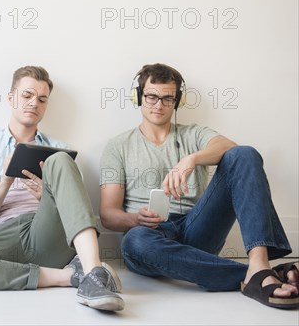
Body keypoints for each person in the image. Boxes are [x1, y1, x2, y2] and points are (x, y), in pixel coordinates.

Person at [99, 63, 298, 309]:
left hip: (198, 228)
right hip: (150, 237)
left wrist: (191, 159)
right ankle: (259, 275)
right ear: (138, 97)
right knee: (134, 241)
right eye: (151, 97)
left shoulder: (193, 134)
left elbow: (232, 149)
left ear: (177, 102)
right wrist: (135, 220)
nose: (159, 105)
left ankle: (259, 264)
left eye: (167, 98)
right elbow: (108, 215)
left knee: (244, 154)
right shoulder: (118, 146)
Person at [0, 66, 125, 312]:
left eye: (42, 99)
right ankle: (72, 276)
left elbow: (76, 212)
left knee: (61, 159)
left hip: (45, 231)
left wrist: (48, 197)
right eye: (27, 95)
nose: (34, 103)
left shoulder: (59, 149)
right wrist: (4, 182)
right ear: (10, 98)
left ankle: (93, 272)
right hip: (1, 237)